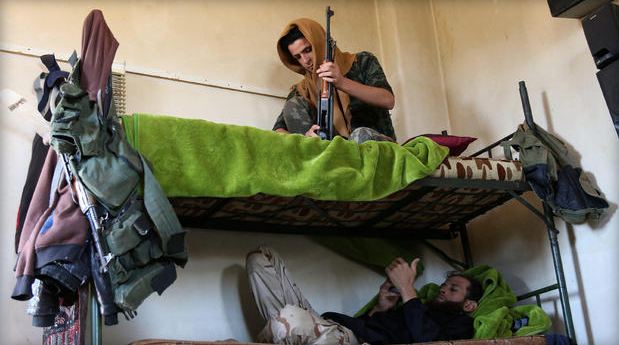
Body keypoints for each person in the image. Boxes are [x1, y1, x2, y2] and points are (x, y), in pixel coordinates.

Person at [246, 246, 482, 345]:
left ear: (469, 305)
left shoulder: (460, 326)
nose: (443, 289)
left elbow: (428, 342)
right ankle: (285, 329)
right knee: (262, 256)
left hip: (351, 341)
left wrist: (407, 289)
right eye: (445, 284)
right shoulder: (419, 309)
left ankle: (283, 328)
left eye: (453, 289)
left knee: (289, 322)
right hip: (333, 328)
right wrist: (380, 308)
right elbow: (372, 327)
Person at [273, 18, 396, 144]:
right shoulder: (302, 90)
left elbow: (388, 100)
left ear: (320, 43)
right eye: (298, 57)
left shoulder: (362, 62)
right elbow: (278, 130)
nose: (305, 61)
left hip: (373, 145)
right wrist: (305, 138)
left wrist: (341, 82)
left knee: (360, 134)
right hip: (333, 153)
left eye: (308, 50)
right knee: (293, 104)